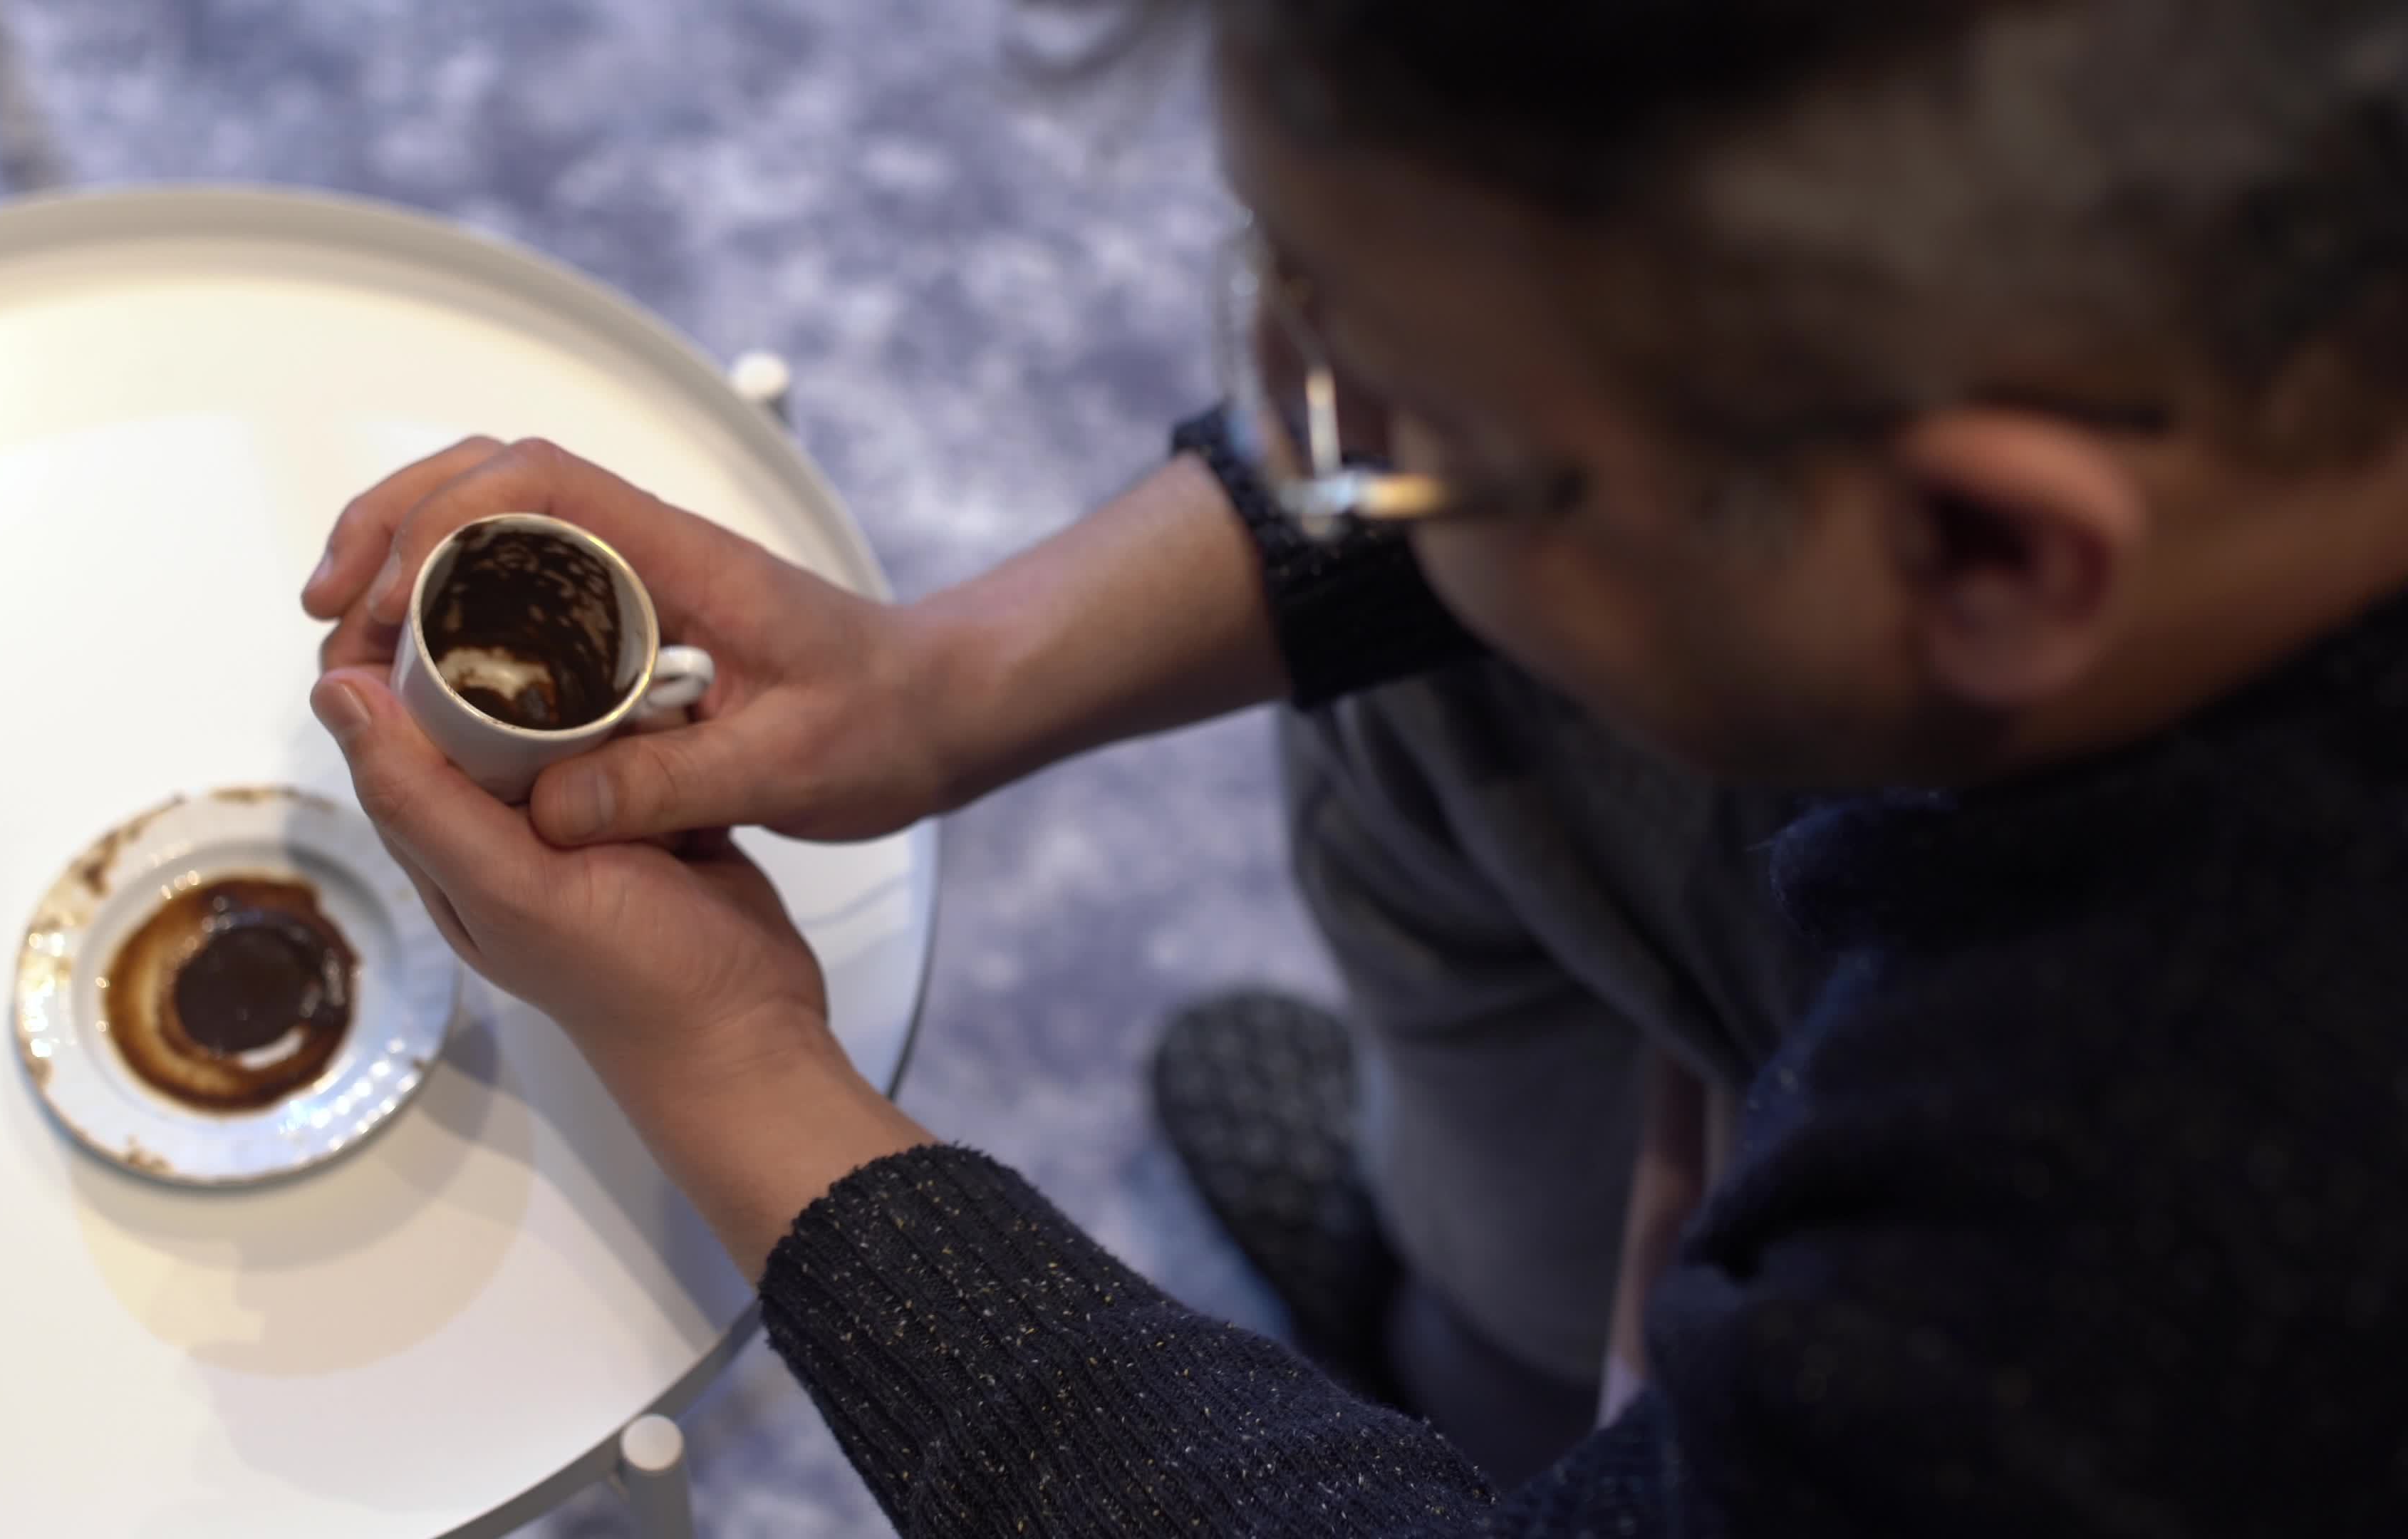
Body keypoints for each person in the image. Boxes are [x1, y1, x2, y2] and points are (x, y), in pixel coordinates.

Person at [299, 0, 2408, 1533]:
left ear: (1981, 554)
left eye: (1388, 415)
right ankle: (1481, 1351)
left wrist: (746, 1071)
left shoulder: (2168, 1202)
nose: (1310, 453)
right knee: (1460, 674)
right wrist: (931, 683)